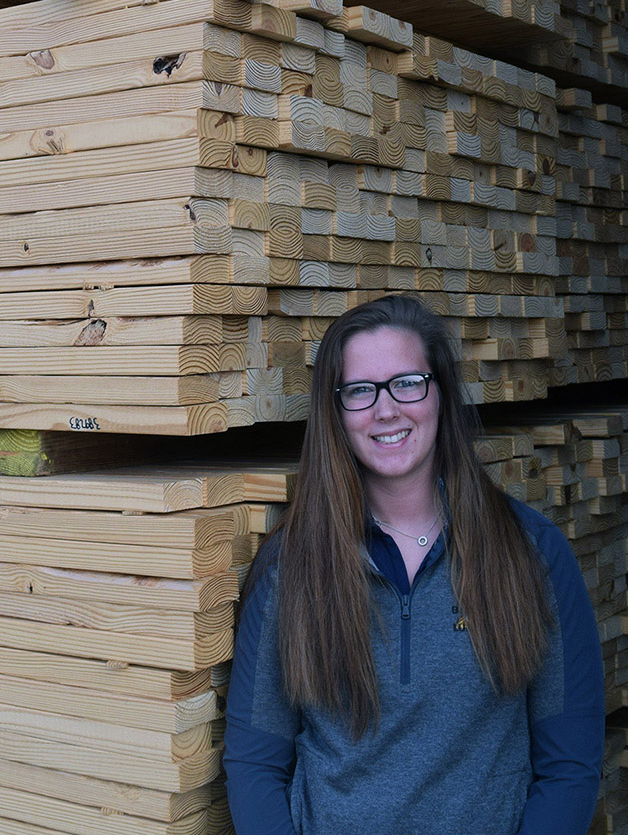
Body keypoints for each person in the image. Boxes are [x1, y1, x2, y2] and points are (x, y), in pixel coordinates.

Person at [223, 294, 604, 835]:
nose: (386, 409)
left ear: (440, 393)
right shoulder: (292, 569)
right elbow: (255, 766)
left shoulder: (532, 553)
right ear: (336, 414)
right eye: (360, 391)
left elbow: (570, 764)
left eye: (407, 382)